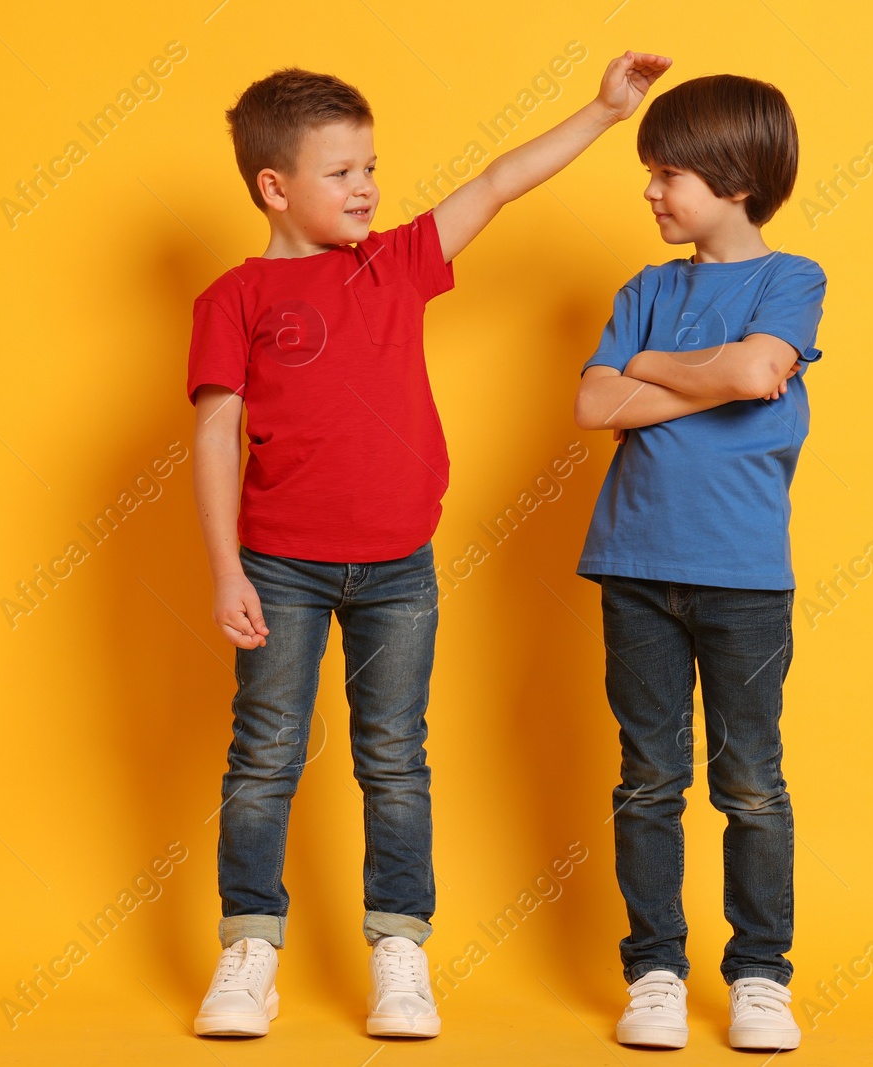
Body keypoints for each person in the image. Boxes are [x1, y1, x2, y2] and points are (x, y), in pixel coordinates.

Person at [186, 52, 672, 1040]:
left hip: (398, 566)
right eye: (342, 172)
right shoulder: (232, 298)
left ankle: (397, 948)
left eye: (371, 165)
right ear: (274, 187)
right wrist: (227, 568)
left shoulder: (392, 261)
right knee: (265, 753)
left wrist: (603, 112)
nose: (367, 185)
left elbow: (496, 181)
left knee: (393, 758)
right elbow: (211, 434)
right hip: (278, 564)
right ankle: (249, 947)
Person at [572, 72, 827, 1052]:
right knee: (646, 779)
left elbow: (760, 368)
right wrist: (706, 377)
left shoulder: (789, 279)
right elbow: (593, 406)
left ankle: (760, 974)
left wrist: (645, 368)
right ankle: (656, 972)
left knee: (750, 779)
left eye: (666, 173)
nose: (649, 191)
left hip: (746, 578)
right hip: (634, 566)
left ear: (732, 179)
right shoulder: (644, 289)